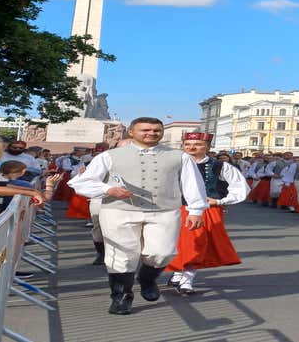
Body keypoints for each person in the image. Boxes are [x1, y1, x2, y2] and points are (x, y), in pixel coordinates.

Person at [68, 117, 207, 315]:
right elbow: (80, 182)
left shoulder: (179, 156)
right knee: (121, 255)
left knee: (162, 253)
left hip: (164, 210)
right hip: (118, 210)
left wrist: (195, 210)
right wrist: (107, 189)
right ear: (131, 132)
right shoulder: (110, 155)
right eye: (146, 130)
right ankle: (121, 297)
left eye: (156, 130)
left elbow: (192, 184)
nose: (151, 133)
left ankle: (147, 278)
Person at [167, 134, 249, 294]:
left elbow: (240, 187)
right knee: (175, 244)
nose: (191, 147)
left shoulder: (219, 166)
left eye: (197, 144)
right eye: (187, 144)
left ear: (208, 147)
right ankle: (178, 273)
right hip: (175, 209)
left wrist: (220, 201)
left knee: (196, 244)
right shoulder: (173, 164)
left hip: (205, 210)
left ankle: (187, 279)